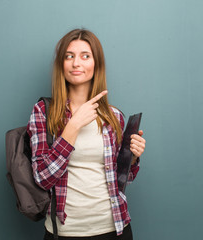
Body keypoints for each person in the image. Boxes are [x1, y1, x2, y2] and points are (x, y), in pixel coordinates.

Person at [26, 29, 146, 240]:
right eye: (69, 56)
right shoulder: (43, 112)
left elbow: (122, 179)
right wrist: (72, 127)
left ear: (96, 64)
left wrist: (133, 158)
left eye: (85, 56)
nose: (76, 63)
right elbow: (43, 179)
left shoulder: (114, 116)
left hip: (116, 228)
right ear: (61, 65)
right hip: (66, 232)